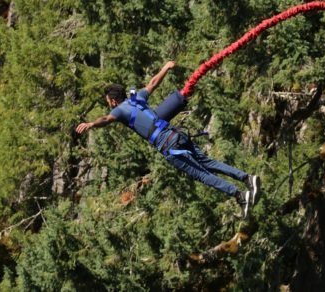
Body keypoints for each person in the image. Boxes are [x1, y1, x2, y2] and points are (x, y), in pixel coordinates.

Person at [76, 61, 261, 218]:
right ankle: (247, 178)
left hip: (167, 144)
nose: (109, 106)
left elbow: (106, 119)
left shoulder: (118, 111)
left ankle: (240, 195)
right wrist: (166, 67)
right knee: (208, 162)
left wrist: (91, 124)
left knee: (202, 174)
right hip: (177, 134)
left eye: (108, 102)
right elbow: (153, 83)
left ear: (113, 101)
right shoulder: (137, 98)